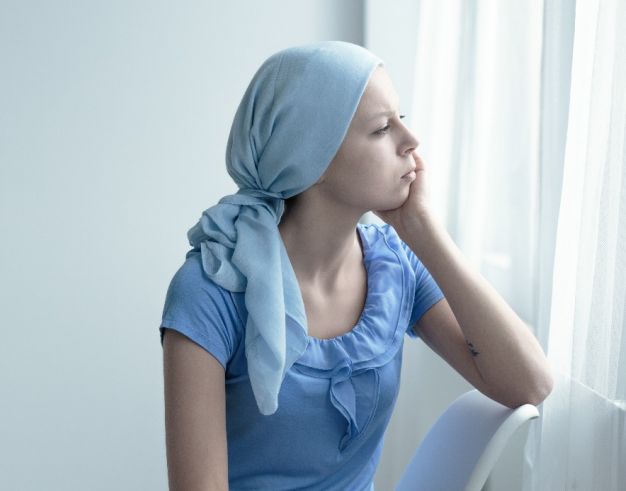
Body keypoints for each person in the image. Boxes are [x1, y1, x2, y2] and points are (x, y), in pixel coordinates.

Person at [159, 41, 553, 491]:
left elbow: (531, 382)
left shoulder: (394, 265)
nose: (411, 142)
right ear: (313, 154)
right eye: (383, 129)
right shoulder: (208, 290)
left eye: (401, 120)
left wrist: (423, 230)